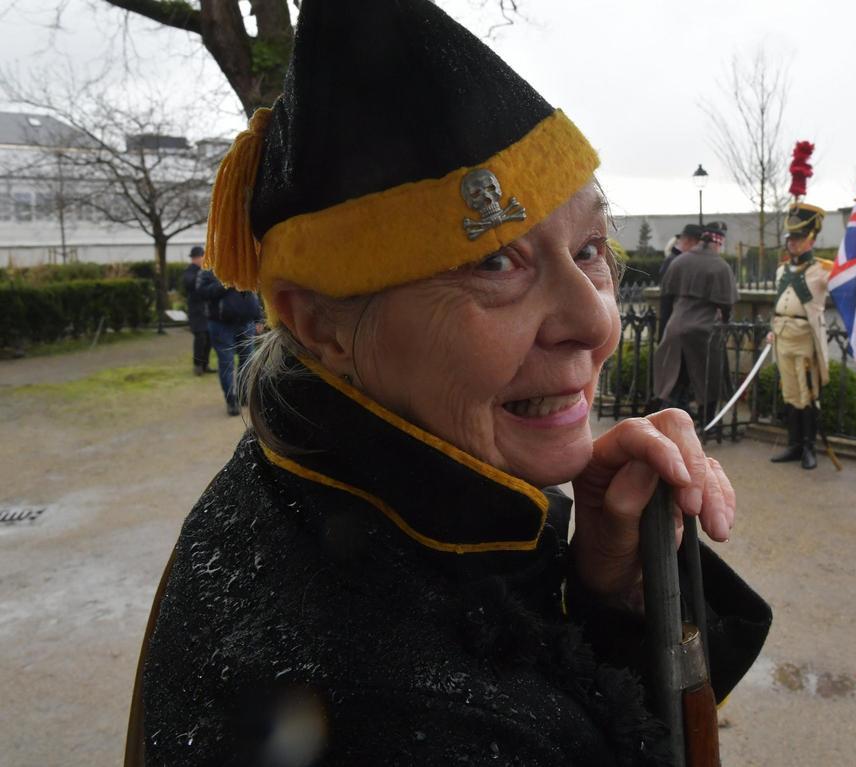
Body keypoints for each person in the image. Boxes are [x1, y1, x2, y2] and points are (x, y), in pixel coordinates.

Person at [125, 2, 770, 765]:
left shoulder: (287, 486)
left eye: (591, 247)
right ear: (321, 323)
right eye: (495, 261)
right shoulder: (396, 712)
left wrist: (605, 592)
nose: (597, 323)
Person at [768, 201, 856, 468]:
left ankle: (808, 447)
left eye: (798, 238)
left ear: (811, 239)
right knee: (791, 393)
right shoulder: (781, 270)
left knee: (808, 394)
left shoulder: (823, 269)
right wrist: (771, 331)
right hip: (782, 336)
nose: (792, 243)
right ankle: (793, 444)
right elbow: (779, 303)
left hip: (806, 337)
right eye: (790, 239)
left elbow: (850, 282)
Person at [652, 221, 738, 426]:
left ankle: (669, 421)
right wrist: (726, 321)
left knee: (674, 380)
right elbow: (726, 304)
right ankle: (707, 422)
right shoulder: (720, 266)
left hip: (675, 325)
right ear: (718, 242)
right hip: (703, 329)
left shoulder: (680, 261)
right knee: (708, 379)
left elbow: (667, 295)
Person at [195, 268, 262, 416]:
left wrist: (258, 318)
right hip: (221, 325)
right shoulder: (207, 271)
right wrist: (226, 282)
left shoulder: (243, 266)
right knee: (227, 363)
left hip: (247, 323)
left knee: (248, 361)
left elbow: (253, 293)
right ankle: (231, 400)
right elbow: (202, 293)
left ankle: (243, 394)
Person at [656, 224, 702, 341]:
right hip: (673, 323)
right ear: (689, 241)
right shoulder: (675, 262)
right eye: (698, 244)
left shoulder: (675, 260)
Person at [180, 246, 213, 375]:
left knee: (209, 338)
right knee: (200, 338)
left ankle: (205, 364)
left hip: (206, 309)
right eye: (202, 257)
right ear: (197, 258)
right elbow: (189, 284)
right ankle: (198, 365)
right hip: (196, 311)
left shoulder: (204, 271)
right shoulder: (189, 271)